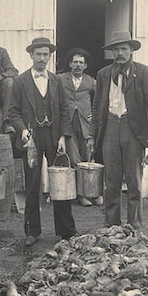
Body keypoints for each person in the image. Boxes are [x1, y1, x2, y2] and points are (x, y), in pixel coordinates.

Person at [7, 37, 77, 246]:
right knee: (32, 184)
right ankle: (31, 231)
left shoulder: (57, 81)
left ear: (49, 56)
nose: (42, 58)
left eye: (46, 54)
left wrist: (63, 136)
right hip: (32, 139)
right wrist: (22, 132)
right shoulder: (20, 82)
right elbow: (13, 112)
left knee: (60, 182)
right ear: (31, 55)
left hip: (54, 137)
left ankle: (66, 230)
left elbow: (65, 111)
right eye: (38, 54)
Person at [90, 30, 148, 229]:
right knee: (111, 182)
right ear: (112, 52)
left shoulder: (143, 72)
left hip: (134, 129)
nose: (120, 53)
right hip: (110, 129)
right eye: (116, 49)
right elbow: (96, 107)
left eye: (124, 48)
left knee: (134, 181)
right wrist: (91, 134)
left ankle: (134, 227)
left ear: (131, 50)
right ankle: (111, 226)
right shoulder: (104, 74)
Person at [58, 47, 101, 206]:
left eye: (81, 63)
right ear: (70, 64)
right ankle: (81, 195)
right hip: (68, 123)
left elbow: (101, 98)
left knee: (88, 157)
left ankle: (94, 193)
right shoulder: (61, 79)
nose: (78, 65)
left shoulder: (91, 81)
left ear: (85, 66)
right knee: (74, 158)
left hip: (85, 123)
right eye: (75, 62)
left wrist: (95, 115)